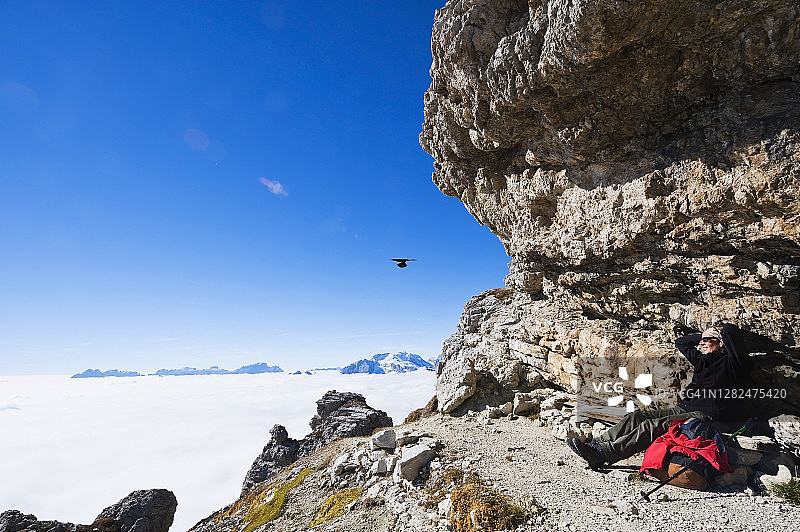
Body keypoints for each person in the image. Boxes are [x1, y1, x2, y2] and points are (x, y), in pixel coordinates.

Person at [567, 323, 750, 470]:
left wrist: (719, 333)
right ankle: (596, 445)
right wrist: (703, 335)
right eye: (701, 341)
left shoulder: (733, 364)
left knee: (653, 425)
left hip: (708, 416)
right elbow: (682, 342)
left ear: (722, 344)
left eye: (707, 340)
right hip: (686, 407)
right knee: (636, 417)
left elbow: (730, 331)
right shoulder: (702, 361)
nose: (702, 343)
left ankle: (605, 454)